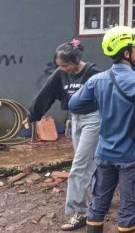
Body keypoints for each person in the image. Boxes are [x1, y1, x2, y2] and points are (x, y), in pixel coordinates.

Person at [69, 26, 135, 233]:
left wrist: (102, 105)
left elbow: (74, 104)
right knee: (129, 207)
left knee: (98, 205)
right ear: (126, 53)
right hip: (131, 156)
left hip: (104, 154)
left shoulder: (96, 80)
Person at [24, 40, 101, 231]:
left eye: (65, 65)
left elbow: (110, 96)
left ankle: (80, 212)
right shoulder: (60, 74)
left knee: (80, 165)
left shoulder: (93, 74)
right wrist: (33, 115)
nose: (63, 69)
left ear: (76, 60)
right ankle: (101, 198)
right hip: (75, 119)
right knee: (91, 161)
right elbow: (46, 93)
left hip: (94, 118)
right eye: (60, 66)